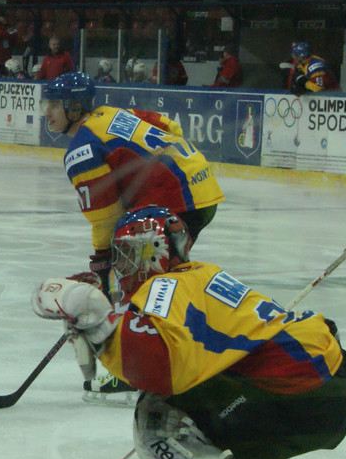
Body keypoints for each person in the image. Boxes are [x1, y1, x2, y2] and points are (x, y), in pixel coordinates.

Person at [32, 205, 346, 459]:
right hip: (323, 390)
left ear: (148, 250)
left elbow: (156, 370)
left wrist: (99, 325)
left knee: (159, 412)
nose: (121, 266)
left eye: (125, 254)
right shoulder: (201, 275)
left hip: (287, 390)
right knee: (205, 409)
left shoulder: (162, 287)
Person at [40, 72, 224, 406]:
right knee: (161, 279)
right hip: (200, 188)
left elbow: (104, 215)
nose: (46, 112)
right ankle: (187, 350)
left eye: (53, 105)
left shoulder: (82, 148)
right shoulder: (111, 114)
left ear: (75, 106)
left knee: (133, 277)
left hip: (174, 200)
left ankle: (132, 371)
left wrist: (101, 259)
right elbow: (169, 126)